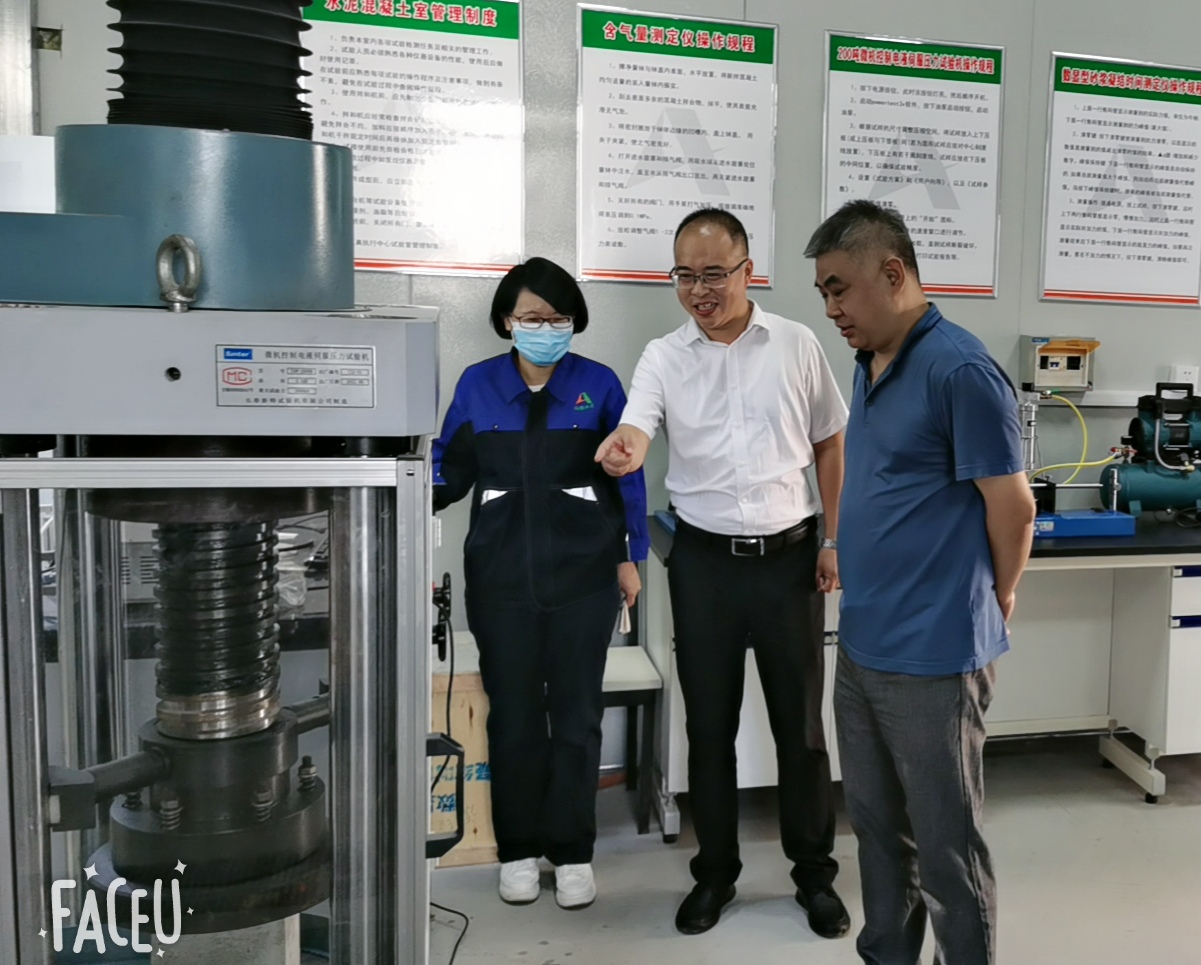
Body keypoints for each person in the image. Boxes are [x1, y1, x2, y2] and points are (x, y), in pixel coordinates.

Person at [596, 208, 851, 939]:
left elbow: (830, 443)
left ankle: (813, 875)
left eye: (714, 274)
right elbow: (639, 423)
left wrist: (835, 539)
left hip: (790, 560)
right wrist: (626, 445)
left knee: (800, 729)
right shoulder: (663, 356)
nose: (699, 290)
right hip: (703, 564)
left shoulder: (797, 344)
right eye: (685, 275)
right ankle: (714, 873)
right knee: (708, 728)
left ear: (747, 270)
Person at [805, 200, 1036, 965]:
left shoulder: (959, 369)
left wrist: (998, 594)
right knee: (877, 833)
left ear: (892, 272)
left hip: (933, 658)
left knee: (946, 850)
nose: (831, 308)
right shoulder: (869, 359)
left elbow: (1013, 507)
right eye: (823, 293)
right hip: (863, 646)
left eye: (839, 288)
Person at [432, 256, 649, 910]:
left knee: (578, 716)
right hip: (500, 581)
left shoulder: (598, 385)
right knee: (515, 718)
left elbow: (628, 479)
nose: (545, 328)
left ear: (573, 322)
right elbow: (447, 469)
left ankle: (573, 851)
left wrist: (631, 556)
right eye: (532, 317)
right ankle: (519, 850)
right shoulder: (477, 385)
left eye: (557, 318)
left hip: (585, 579)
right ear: (507, 321)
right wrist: (398, 497)